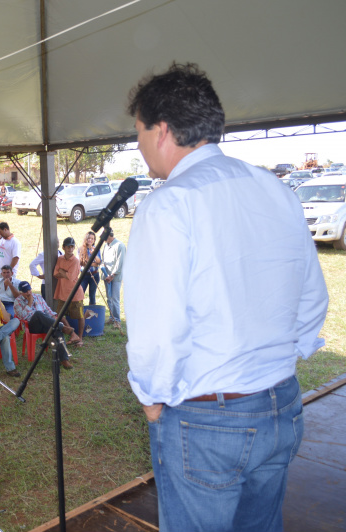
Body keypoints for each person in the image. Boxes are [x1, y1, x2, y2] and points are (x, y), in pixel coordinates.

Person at [124, 62, 328, 532]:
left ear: (161, 130)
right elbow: (312, 298)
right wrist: (279, 362)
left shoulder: (168, 204)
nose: (138, 145)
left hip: (208, 420)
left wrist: (152, 397)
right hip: (281, 402)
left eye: (138, 131)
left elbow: (157, 327)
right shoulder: (276, 190)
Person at [14, 281, 81, 369]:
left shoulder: (38, 297)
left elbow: (47, 310)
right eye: (25, 291)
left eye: (29, 290)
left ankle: (64, 360)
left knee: (56, 330)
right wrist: (29, 303)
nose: (28, 293)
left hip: (45, 323)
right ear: (21, 292)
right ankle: (63, 327)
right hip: (32, 326)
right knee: (38, 314)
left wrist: (53, 317)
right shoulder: (18, 301)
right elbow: (23, 317)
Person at [53, 237, 85, 338]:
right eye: (68, 247)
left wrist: (62, 271)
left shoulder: (75, 261)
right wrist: (65, 273)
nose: (70, 249)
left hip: (75, 293)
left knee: (80, 316)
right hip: (63, 293)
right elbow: (55, 273)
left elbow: (71, 277)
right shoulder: (60, 258)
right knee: (59, 315)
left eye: (72, 247)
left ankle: (80, 338)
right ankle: (73, 334)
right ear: (63, 247)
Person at [100, 230, 125, 329]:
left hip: (115, 277)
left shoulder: (120, 245)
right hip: (106, 276)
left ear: (108, 235)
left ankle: (117, 320)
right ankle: (111, 317)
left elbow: (120, 263)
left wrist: (112, 275)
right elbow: (103, 259)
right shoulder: (106, 246)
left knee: (115, 299)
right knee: (109, 298)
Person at [78, 231, 101, 306]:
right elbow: (81, 263)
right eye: (88, 238)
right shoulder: (81, 249)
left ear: (94, 240)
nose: (90, 240)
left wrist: (93, 256)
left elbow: (98, 262)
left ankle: (92, 310)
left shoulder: (96, 249)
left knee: (92, 295)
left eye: (92, 238)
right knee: (80, 294)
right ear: (86, 239)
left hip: (94, 275)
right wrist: (93, 263)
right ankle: (80, 310)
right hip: (84, 275)